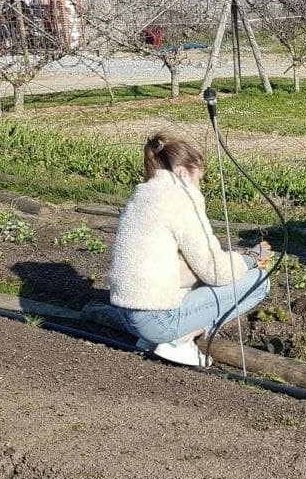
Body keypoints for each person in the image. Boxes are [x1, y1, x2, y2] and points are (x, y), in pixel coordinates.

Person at [107, 133, 273, 366]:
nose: (199, 187)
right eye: (199, 179)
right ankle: (179, 339)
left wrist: (235, 258)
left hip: (126, 313)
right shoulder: (182, 198)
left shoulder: (143, 194)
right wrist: (250, 259)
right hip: (158, 319)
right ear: (184, 173)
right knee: (259, 281)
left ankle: (155, 339)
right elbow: (215, 272)